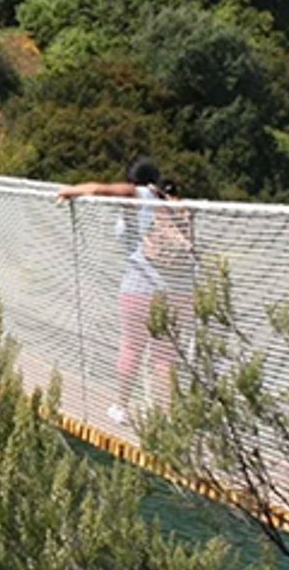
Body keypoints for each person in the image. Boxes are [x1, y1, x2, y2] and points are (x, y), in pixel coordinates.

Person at [57, 157, 193, 421]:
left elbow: (98, 190)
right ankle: (166, 417)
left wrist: (68, 191)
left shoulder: (139, 195)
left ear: (133, 180)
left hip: (140, 288)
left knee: (131, 347)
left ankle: (121, 407)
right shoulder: (174, 204)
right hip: (178, 291)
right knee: (165, 358)